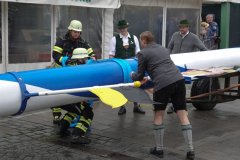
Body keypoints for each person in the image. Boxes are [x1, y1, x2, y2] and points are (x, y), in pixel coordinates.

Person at [131, 31, 195, 160]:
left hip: (163, 84)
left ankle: (159, 149)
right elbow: (163, 65)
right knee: (182, 113)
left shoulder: (142, 54)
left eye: (141, 41)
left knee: (159, 114)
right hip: (178, 80)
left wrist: (132, 75)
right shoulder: (163, 49)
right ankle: (190, 150)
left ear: (144, 40)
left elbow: (139, 75)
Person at [51, 20, 95, 124]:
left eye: (78, 32)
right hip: (60, 72)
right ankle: (56, 115)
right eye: (74, 31)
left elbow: (91, 52)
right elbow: (55, 54)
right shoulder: (61, 41)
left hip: (74, 73)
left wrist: (91, 58)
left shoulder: (82, 42)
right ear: (70, 30)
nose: (76, 34)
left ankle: (73, 113)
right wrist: (63, 59)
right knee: (57, 93)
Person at [108, 19, 145, 115]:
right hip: (120, 67)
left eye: (123, 28)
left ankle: (136, 105)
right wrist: (112, 66)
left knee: (136, 85)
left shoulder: (134, 38)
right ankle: (122, 107)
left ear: (127, 27)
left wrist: (139, 64)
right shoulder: (114, 39)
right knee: (121, 86)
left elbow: (138, 52)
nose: (122, 30)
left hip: (133, 65)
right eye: (120, 28)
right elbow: (111, 54)